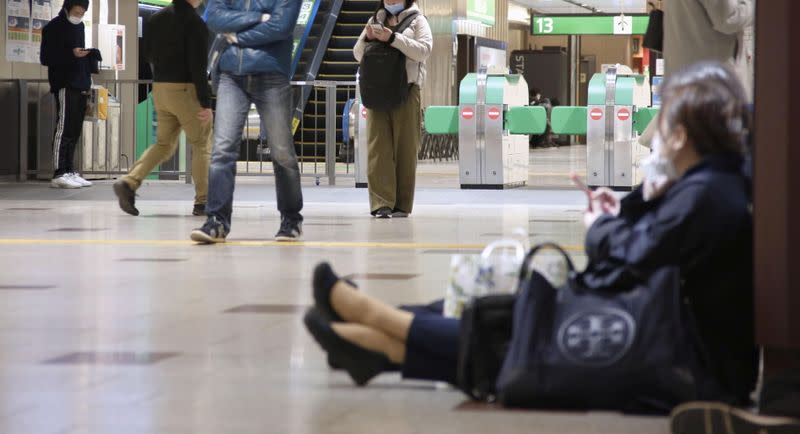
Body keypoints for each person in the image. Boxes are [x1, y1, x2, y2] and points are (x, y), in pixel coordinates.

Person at [303, 62, 758, 411]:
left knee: (522, 325)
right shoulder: (711, 184)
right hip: (673, 338)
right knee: (515, 312)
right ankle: (378, 342)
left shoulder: (706, 195)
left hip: (683, 360)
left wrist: (600, 227)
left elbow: (627, 260)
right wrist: (642, 201)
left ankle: (381, 330)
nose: (651, 132)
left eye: (662, 119)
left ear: (680, 135)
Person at [190, 0, 304, 244]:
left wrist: (236, 35)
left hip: (272, 75)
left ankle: (291, 219)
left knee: (281, 151)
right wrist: (257, 17)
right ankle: (216, 221)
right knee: (223, 150)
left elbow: (281, 27)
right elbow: (214, 17)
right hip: (231, 76)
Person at [112, 0, 213, 217]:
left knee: (164, 143)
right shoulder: (196, 24)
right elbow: (198, 68)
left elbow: (147, 55)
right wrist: (205, 102)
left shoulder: (156, 20)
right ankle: (204, 201)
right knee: (201, 144)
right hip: (185, 89)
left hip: (161, 89)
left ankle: (130, 181)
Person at [353, 0, 432, 218]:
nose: (390, 1)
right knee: (378, 148)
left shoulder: (418, 21)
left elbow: (424, 51)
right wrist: (367, 37)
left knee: (405, 149)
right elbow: (357, 54)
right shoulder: (375, 19)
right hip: (377, 91)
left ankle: (401, 204)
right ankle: (381, 203)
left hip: (407, 91)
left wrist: (393, 38)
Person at [39, 0, 98, 189]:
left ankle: (70, 169)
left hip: (80, 81)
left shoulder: (79, 27)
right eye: (76, 11)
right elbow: (46, 58)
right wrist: (70, 54)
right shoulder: (53, 28)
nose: (79, 16)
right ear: (67, 8)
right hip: (64, 83)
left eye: (82, 13)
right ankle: (58, 172)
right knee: (63, 128)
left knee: (75, 128)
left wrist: (84, 55)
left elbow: (76, 52)